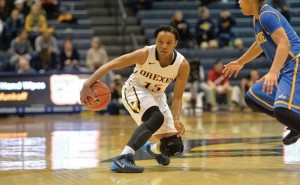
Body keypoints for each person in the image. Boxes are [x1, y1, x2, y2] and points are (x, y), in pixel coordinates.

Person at [80, 25, 189, 173]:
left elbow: (177, 98)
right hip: (134, 89)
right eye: (160, 41)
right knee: (157, 117)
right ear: (155, 41)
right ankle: (123, 158)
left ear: (176, 43)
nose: (164, 46)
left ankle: (151, 149)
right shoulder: (145, 54)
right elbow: (111, 65)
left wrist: (176, 119)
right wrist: (87, 83)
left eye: (169, 42)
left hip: (157, 96)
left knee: (174, 146)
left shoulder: (182, 65)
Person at [223, 0, 300, 145]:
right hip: (285, 68)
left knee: (282, 111)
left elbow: (284, 43)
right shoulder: (257, 18)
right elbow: (260, 43)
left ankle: (294, 122)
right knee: (253, 97)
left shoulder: (267, 15)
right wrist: (241, 62)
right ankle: (295, 124)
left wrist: (273, 72)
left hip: (295, 63)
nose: (238, 2)